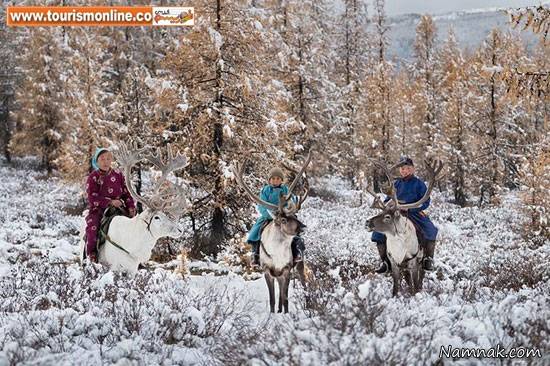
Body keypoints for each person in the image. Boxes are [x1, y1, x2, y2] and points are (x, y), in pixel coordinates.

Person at [371, 156, 438, 273]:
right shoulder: (396, 184)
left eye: (407, 168)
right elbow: (388, 199)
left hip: (413, 213)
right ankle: (385, 262)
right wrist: (387, 204)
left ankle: (428, 259)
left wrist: (411, 209)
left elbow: (426, 201)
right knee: (378, 234)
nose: (403, 171)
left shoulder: (419, 184)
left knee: (431, 230)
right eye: (402, 168)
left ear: (412, 169)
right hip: (395, 214)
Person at [85, 147, 136, 263]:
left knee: (135, 227)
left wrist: (131, 207)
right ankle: (91, 255)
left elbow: (126, 193)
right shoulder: (93, 177)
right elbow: (92, 197)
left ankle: (135, 257)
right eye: (102, 159)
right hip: (99, 209)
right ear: (96, 161)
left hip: (119, 208)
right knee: (92, 228)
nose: (106, 162)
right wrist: (109, 202)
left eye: (108, 159)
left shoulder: (118, 174)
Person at [246, 167, 305, 266]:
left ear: (281, 180)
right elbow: (261, 206)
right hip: (269, 217)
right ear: (269, 180)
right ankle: (255, 254)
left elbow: (292, 200)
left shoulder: (285, 189)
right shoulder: (265, 190)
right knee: (256, 232)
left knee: (293, 229)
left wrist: (289, 208)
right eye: (273, 179)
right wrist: (270, 214)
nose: (275, 181)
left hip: (284, 217)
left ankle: (296, 252)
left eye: (278, 179)